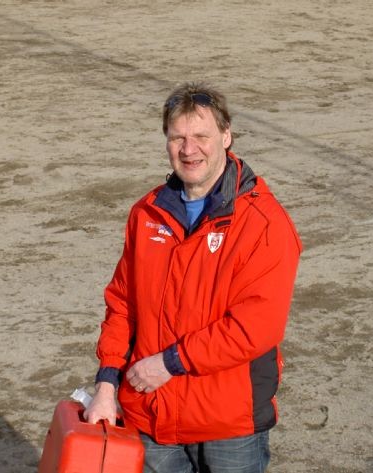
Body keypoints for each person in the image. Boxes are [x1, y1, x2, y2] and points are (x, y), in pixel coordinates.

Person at [84, 82, 302, 473]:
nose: (189, 150)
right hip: (151, 417)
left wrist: (169, 363)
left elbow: (255, 327)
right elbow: (122, 306)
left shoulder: (264, 224)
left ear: (226, 136)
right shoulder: (146, 214)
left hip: (229, 424)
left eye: (201, 136)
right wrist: (106, 384)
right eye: (177, 138)